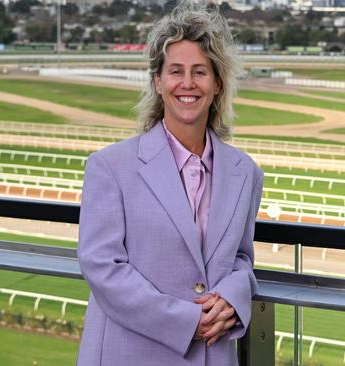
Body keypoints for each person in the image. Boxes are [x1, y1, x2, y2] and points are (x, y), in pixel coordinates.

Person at [76, 2, 263, 365]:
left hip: (211, 353)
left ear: (217, 83)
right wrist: (187, 322)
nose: (188, 83)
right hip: (129, 353)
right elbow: (102, 267)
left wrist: (233, 297)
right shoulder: (110, 166)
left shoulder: (246, 172)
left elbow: (240, 258)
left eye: (200, 72)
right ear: (158, 82)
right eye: (175, 71)